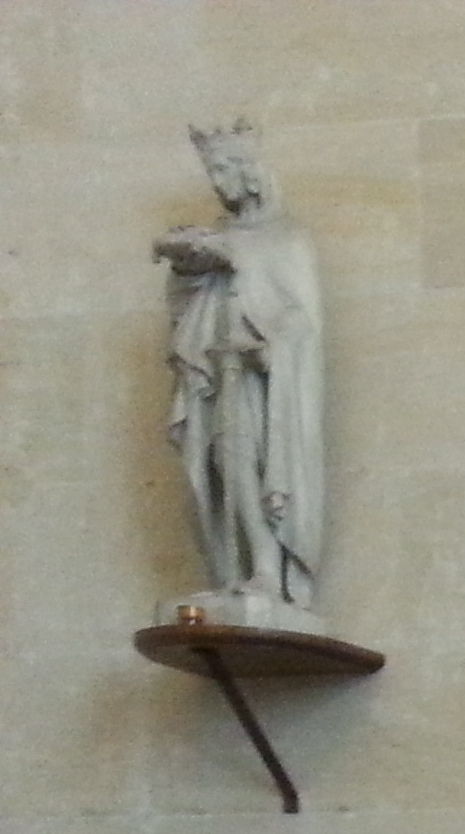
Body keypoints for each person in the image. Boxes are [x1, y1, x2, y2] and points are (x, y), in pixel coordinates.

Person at [158, 119, 327, 620]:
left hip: (257, 383)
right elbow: (188, 305)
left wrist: (266, 340)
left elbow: (301, 319)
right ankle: (236, 569)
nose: (217, 182)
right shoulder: (220, 237)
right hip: (216, 379)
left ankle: (269, 569)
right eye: (212, 172)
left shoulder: (287, 239)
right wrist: (188, 264)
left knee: (252, 465)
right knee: (220, 465)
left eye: (223, 169)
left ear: (249, 172)